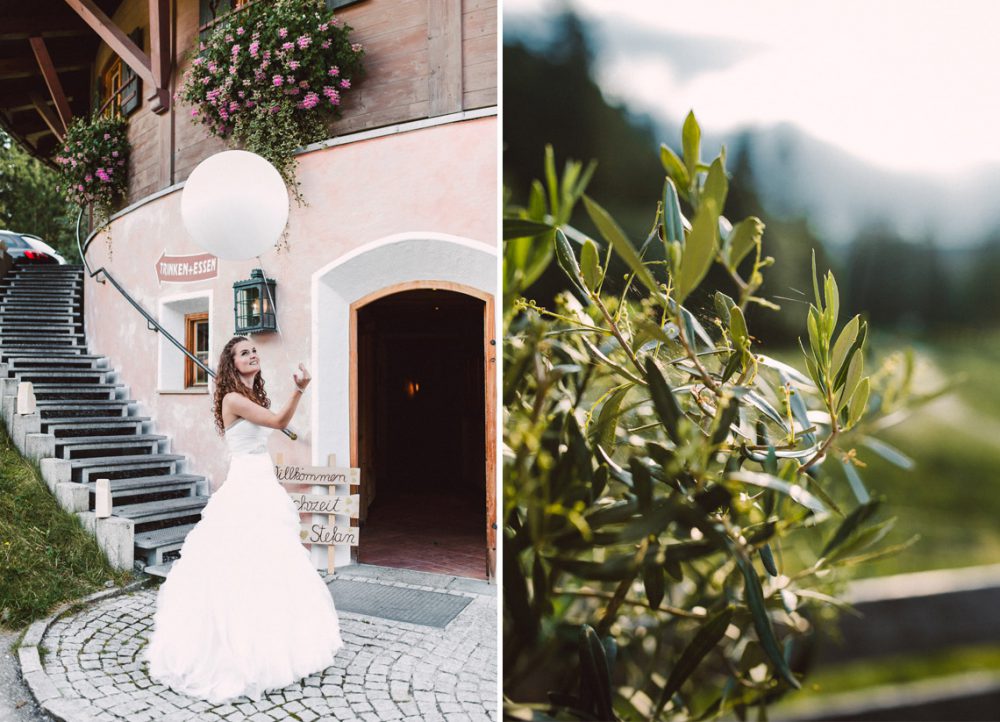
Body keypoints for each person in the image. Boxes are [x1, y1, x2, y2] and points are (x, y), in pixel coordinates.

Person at [145, 336, 343, 703]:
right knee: (241, 559)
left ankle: (274, 638)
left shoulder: (251, 396)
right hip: (247, 485)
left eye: (254, 350)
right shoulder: (233, 399)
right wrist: (299, 390)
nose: (252, 355)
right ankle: (240, 648)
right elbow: (279, 421)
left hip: (262, 480)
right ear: (232, 363)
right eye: (244, 352)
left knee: (271, 559)